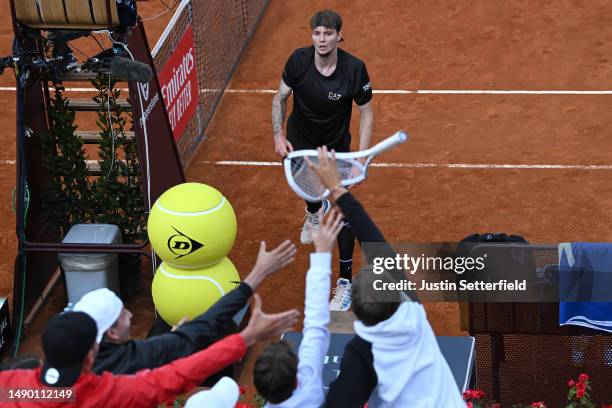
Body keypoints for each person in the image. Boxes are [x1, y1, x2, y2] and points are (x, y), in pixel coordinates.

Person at [306, 147, 465, 408]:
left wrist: (322, 252)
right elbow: (376, 244)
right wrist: (337, 188)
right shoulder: (413, 314)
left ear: (355, 311)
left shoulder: (362, 353)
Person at [0, 298, 299, 407]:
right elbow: (178, 374)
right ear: (91, 355)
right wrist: (245, 337)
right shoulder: (107, 394)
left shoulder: (9, 387)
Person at [272, 9, 375, 311]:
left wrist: (363, 155)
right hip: (300, 141)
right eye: (317, 33)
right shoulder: (298, 61)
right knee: (305, 187)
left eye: (328, 33)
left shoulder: (355, 69)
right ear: (312, 36)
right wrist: (279, 135)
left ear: (338, 36)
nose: (322, 38)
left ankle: (344, 281)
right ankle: (314, 210)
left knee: (344, 209)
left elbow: (367, 112)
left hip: (336, 148)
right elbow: (279, 98)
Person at [72, 240, 296, 375]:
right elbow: (204, 333)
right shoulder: (136, 362)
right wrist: (258, 274)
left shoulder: (53, 376)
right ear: (110, 332)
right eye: (122, 314)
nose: (131, 314)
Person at [253, 210, 344, 407]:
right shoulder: (309, 382)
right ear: (296, 380)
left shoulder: (307, 380)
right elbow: (316, 321)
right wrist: (322, 253)